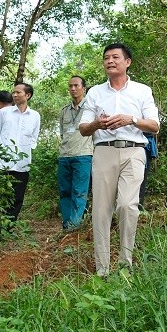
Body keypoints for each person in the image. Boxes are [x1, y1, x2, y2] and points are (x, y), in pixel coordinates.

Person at [78, 43, 160, 277]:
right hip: (103, 152)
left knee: (127, 205)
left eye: (115, 57)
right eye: (106, 58)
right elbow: (83, 128)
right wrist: (98, 124)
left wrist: (130, 119)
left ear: (127, 62)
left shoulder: (142, 91)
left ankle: (126, 263)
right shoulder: (95, 92)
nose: (110, 61)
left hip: (134, 152)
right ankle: (102, 269)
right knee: (101, 210)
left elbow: (154, 125)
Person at [0, 82, 41, 222]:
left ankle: (10, 225)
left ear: (28, 95)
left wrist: (28, 149)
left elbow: (33, 138)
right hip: (2, 162)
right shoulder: (4, 112)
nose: (14, 95)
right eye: (13, 92)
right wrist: (2, 150)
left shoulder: (35, 116)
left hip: (22, 163)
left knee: (18, 196)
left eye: (18, 92)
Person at [58, 76, 94, 231]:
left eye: (76, 86)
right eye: (70, 86)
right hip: (64, 156)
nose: (73, 89)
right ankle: (66, 225)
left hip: (84, 155)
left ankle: (75, 225)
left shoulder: (91, 108)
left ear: (83, 88)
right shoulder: (64, 111)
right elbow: (62, 133)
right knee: (65, 192)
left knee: (79, 192)